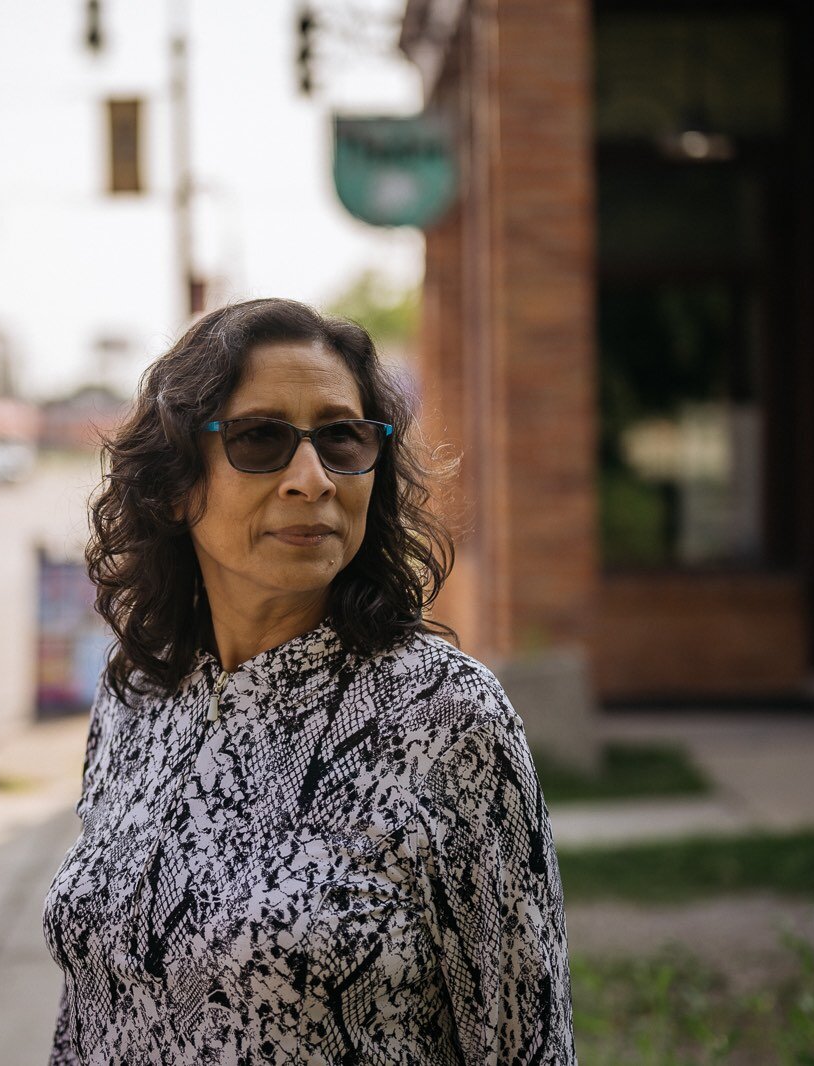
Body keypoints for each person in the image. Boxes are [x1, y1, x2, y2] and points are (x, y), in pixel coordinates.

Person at [43, 298, 576, 1064]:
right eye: (260, 439)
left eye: (341, 439)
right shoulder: (138, 695)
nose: (311, 478)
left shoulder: (445, 719)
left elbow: (527, 1046)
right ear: (172, 483)